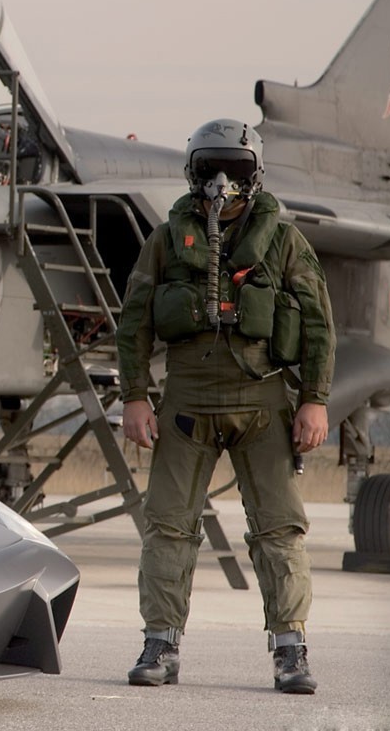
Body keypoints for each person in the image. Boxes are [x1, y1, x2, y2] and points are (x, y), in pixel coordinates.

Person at [115, 119, 334, 695]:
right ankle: (159, 642)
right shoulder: (166, 239)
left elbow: (317, 323)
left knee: (280, 530)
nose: (220, 182)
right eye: (210, 168)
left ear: (254, 174)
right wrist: (135, 396)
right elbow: (135, 321)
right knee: (167, 525)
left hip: (263, 401)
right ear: (192, 172)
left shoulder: (284, 241)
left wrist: (315, 400)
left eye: (234, 170)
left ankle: (291, 650)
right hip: (185, 403)